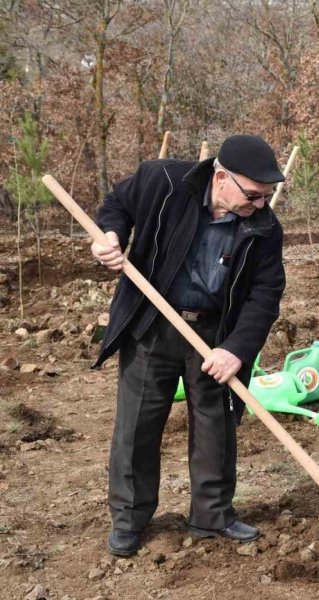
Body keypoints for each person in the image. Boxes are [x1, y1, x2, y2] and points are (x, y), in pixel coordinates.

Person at [91, 134, 287, 556]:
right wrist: (108, 236)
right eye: (253, 195)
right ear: (221, 178)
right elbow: (117, 206)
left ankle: (212, 516)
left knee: (216, 427)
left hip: (214, 334)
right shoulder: (162, 181)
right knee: (137, 427)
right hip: (153, 324)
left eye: (267, 196)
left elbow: (265, 294)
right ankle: (129, 520)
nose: (260, 205)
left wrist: (235, 349)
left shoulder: (264, 227)